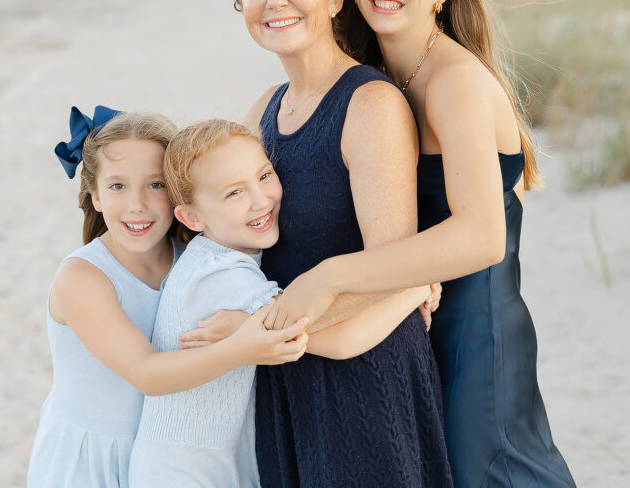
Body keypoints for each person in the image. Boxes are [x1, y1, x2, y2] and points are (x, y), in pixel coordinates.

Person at [264, 0, 576, 487]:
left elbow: (484, 236)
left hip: (473, 325)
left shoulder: (455, 81)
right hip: (404, 320)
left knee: (494, 471)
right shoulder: (376, 80)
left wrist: (331, 276)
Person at [230, 0, 453, 487]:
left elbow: (394, 272)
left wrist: (262, 327)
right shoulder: (263, 111)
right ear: (241, 5)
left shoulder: (369, 105)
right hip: (287, 372)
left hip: (364, 378)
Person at [129, 119, 434, 487]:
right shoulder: (221, 276)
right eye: (234, 193)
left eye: (264, 175)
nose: (260, 199)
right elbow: (340, 340)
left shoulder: (217, 257)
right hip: (186, 472)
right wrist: (414, 286)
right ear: (192, 217)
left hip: (196, 461)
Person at [27, 107, 310, 488]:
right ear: (94, 196)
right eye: (117, 186)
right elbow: (146, 372)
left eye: (155, 184)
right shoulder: (83, 277)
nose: (137, 204)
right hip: (91, 460)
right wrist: (240, 348)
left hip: (161, 455)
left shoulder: (193, 258)